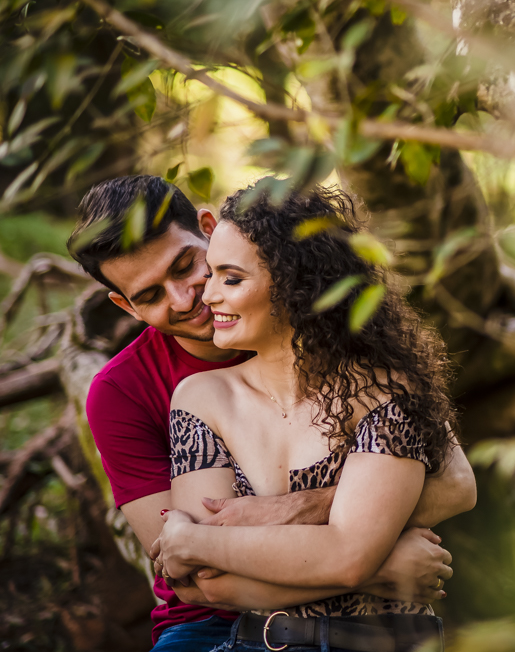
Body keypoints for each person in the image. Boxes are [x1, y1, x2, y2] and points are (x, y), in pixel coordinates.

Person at [68, 176, 476, 652]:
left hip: (359, 616)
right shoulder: (127, 393)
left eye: (186, 266)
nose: (188, 299)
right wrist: (378, 563)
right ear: (124, 305)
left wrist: (304, 508)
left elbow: (456, 486)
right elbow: (192, 574)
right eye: (151, 296)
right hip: (211, 622)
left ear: (209, 229)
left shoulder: (347, 351)